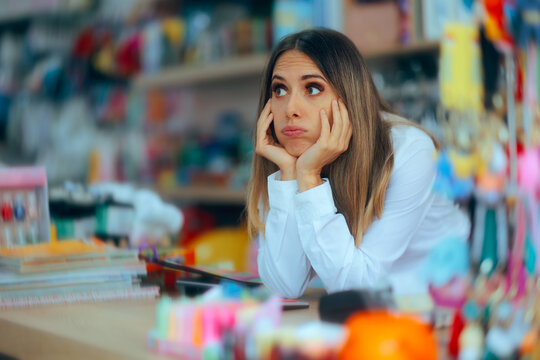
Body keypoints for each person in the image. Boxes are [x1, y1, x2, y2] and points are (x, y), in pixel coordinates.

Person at [246, 28, 470, 298]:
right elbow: (285, 286)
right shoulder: (288, 159)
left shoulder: (408, 151)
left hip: (444, 305)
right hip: (368, 312)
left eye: (312, 88)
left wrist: (310, 178)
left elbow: (357, 287)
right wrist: (292, 175)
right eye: (279, 89)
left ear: (349, 96)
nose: (290, 108)